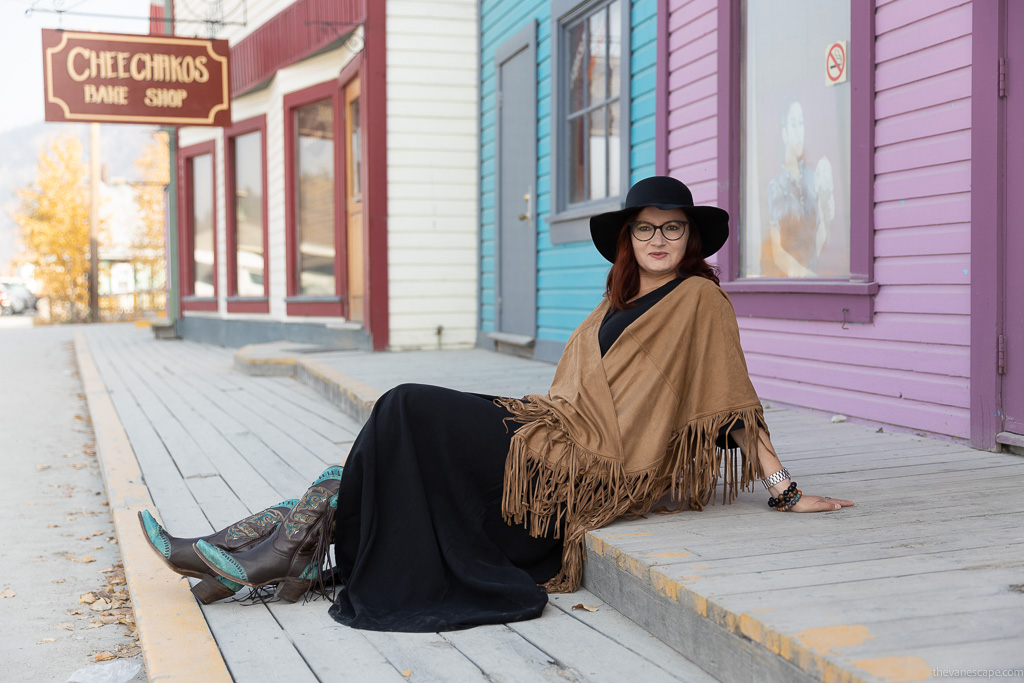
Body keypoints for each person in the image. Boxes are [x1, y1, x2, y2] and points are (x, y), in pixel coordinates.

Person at [140, 176, 853, 632]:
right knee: (403, 418)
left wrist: (784, 489)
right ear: (629, 240)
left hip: (593, 461)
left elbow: (734, 398)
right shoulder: (618, 299)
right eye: (646, 228)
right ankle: (260, 549)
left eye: (672, 228)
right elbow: (575, 385)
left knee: (406, 407)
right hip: (556, 429)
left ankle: (262, 551)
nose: (660, 239)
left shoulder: (700, 299)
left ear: (690, 237)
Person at [763, 100, 836, 277]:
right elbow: (777, 251)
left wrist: (827, 200)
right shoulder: (776, 186)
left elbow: (823, 234)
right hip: (789, 284)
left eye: (801, 123)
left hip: (815, 278)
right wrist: (804, 274)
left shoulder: (811, 177)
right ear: (784, 132)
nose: (799, 132)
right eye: (793, 124)